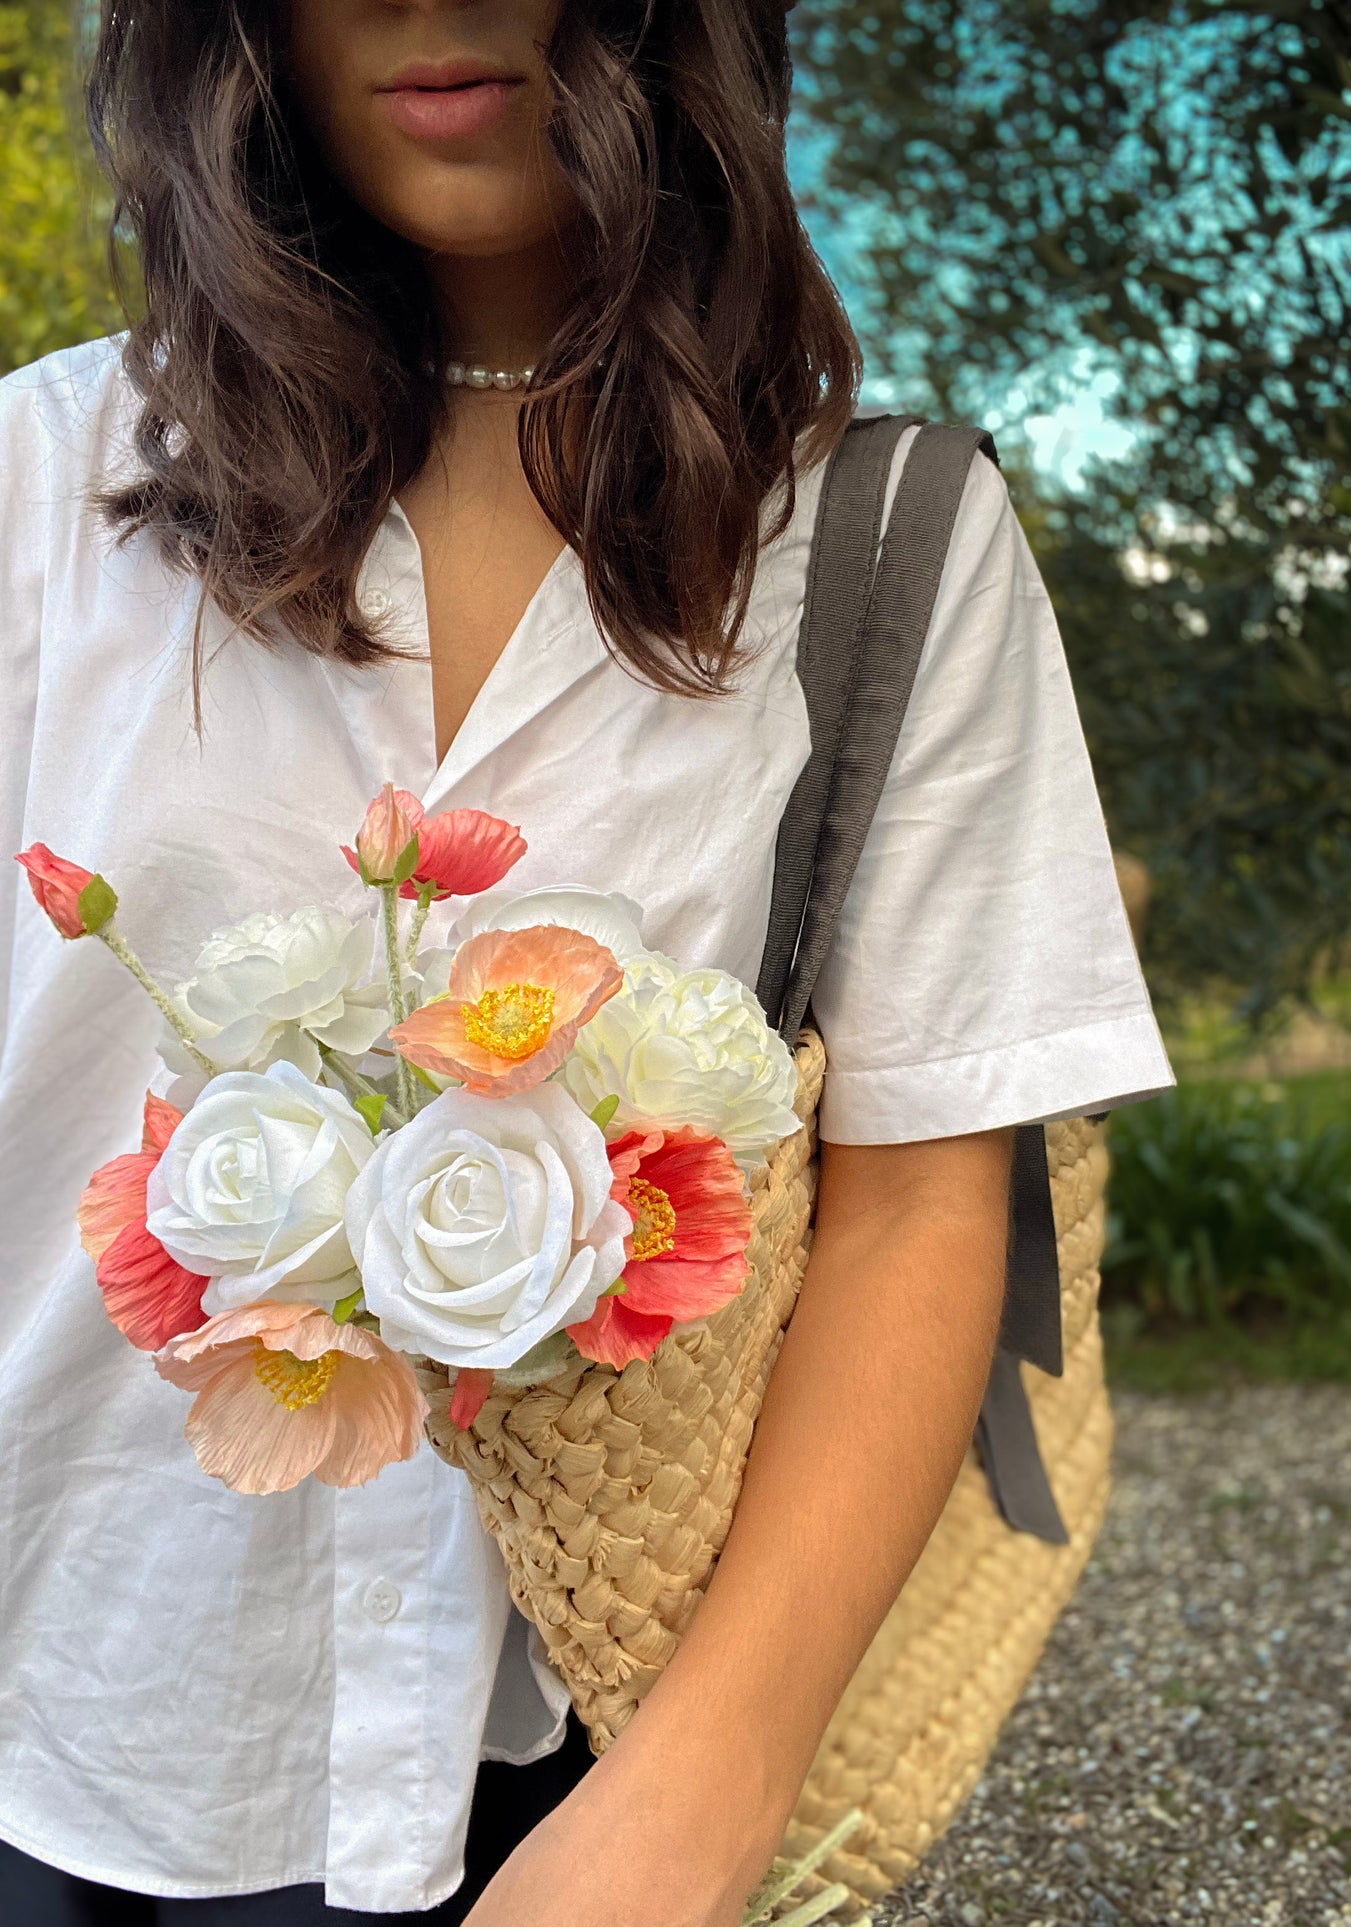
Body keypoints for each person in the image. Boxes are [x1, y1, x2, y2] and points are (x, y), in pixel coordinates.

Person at [0, 1, 1174, 1922]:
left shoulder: (884, 550)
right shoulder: (39, 485)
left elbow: (919, 1191)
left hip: (594, 1760)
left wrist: (699, 1803)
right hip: (67, 1716)